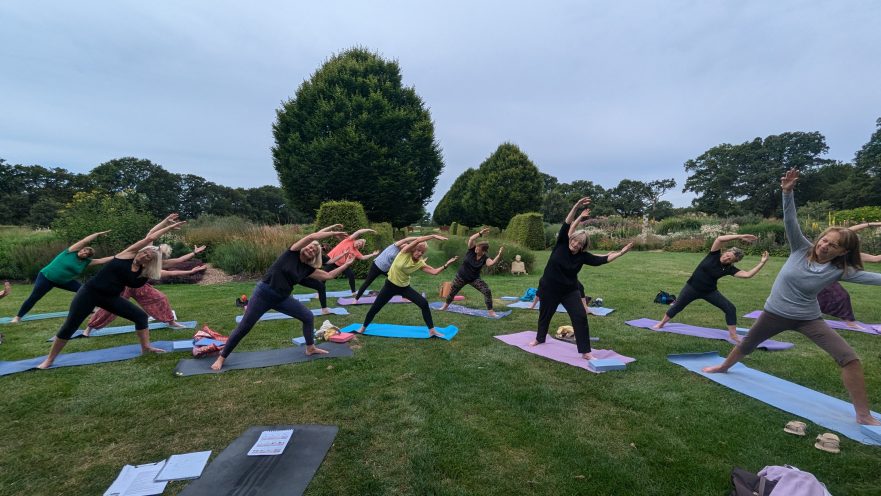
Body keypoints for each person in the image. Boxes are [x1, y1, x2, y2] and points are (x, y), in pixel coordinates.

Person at [703, 169, 881, 426]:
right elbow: (790, 221)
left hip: (808, 318)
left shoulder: (840, 270)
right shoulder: (800, 248)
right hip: (774, 313)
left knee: (849, 358)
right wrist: (787, 192)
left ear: (843, 251)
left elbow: (875, 279)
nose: (824, 245)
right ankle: (724, 367)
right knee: (746, 344)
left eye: (832, 245)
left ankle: (863, 415)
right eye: (824, 240)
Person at [37, 216, 187, 369]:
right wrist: (167, 226)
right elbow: (151, 236)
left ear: (150, 262)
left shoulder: (145, 271)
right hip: (89, 292)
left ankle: (146, 348)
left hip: (110, 297)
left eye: (148, 256)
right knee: (70, 326)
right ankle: (49, 360)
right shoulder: (128, 254)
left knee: (140, 316)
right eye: (145, 252)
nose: (143, 255)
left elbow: (168, 265)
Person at [211, 227, 354, 371]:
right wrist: (334, 233)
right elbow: (312, 236)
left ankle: (310, 348)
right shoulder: (291, 253)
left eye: (314, 251)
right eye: (310, 247)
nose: (311, 250)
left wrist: (347, 264)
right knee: (245, 326)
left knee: (308, 316)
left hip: (282, 298)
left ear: (315, 256)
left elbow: (328, 276)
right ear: (305, 246)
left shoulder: (307, 269)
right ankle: (222, 357)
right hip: (263, 294)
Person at [529, 197, 632, 359]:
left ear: (583, 247)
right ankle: (539, 339)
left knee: (580, 316)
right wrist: (576, 206)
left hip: (569, 291)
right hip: (549, 288)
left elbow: (601, 260)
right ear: (571, 239)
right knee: (545, 315)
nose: (576, 244)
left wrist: (620, 253)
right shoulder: (562, 243)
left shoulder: (582, 257)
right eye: (575, 240)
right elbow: (568, 222)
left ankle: (586, 352)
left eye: (580, 244)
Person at [652, 235, 770, 341]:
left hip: (710, 291)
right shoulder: (713, 255)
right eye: (728, 255)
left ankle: (733, 335)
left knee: (730, 308)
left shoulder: (729, 268)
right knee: (678, 306)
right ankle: (661, 323)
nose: (727, 258)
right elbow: (719, 239)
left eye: (730, 259)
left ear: (733, 262)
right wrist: (740, 236)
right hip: (692, 288)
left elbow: (747, 275)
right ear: (725, 252)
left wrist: (762, 263)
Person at [82, 245, 208, 336]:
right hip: (123, 287)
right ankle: (89, 328)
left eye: (162, 254)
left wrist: (193, 256)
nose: (159, 254)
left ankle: (171, 322)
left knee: (161, 298)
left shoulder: (157, 264)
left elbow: (176, 265)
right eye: (159, 251)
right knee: (109, 309)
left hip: (140, 287)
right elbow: (150, 236)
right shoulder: (142, 255)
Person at [354, 234, 456, 337]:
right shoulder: (404, 252)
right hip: (390, 286)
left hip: (404, 288)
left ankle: (432, 331)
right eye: (418, 250)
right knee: (375, 307)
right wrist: (433, 236)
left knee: (424, 303)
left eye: (422, 252)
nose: (419, 253)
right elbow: (418, 240)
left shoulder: (420, 263)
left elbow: (434, 272)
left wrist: (446, 265)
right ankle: (363, 328)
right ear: (413, 249)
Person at [11, 231, 115, 323]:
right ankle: (18, 317)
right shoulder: (69, 252)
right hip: (46, 277)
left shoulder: (86, 262)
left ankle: (93, 308)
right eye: (83, 250)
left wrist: (121, 256)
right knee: (34, 297)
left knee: (85, 291)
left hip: (64, 281)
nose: (83, 252)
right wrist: (97, 234)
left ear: (88, 257)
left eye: (86, 253)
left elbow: (102, 260)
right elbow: (84, 241)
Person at [816, 222, 881, 330]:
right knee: (839, 295)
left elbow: (876, 259)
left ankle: (849, 321)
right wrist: (871, 224)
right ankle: (850, 322)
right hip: (822, 274)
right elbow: (847, 231)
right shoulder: (828, 243)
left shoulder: (848, 253)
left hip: (837, 272)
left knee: (840, 295)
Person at [438, 227, 504, 317]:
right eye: (476, 246)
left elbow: (491, 264)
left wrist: (499, 255)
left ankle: (491, 312)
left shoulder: (485, 258)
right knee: (452, 292)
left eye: (478, 248)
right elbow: (471, 239)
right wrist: (480, 233)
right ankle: (445, 306)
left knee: (487, 291)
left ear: (483, 251)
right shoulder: (471, 250)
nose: (476, 248)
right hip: (461, 276)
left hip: (474, 279)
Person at [354, 236, 419, 300]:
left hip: (386, 270)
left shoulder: (402, 253)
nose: (404, 245)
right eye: (404, 244)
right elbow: (406, 239)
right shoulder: (394, 246)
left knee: (400, 279)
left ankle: (405, 297)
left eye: (406, 246)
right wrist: (418, 238)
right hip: (376, 266)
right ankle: (356, 299)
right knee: (367, 282)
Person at [323, 229, 379, 295]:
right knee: (324, 275)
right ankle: (320, 292)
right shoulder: (349, 240)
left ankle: (353, 292)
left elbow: (363, 257)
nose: (358, 245)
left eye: (360, 246)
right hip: (331, 259)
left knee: (351, 275)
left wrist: (372, 254)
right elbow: (358, 232)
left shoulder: (356, 251)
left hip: (342, 264)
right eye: (359, 243)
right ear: (356, 240)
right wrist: (369, 230)